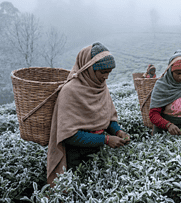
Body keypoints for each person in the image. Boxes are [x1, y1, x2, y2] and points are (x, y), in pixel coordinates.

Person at [47, 42, 130, 187]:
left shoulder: (101, 87)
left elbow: (107, 117)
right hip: (76, 156)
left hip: (98, 151)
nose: (106, 77)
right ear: (89, 69)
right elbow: (69, 135)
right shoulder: (69, 91)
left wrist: (118, 131)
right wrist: (106, 139)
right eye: (103, 72)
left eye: (109, 72)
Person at [149, 50, 181, 135]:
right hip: (163, 131)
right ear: (170, 71)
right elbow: (153, 114)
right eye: (178, 73)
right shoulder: (161, 86)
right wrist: (168, 125)